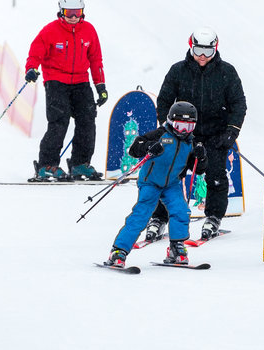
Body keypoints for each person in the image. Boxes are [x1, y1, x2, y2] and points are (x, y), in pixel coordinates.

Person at [143, 26, 247, 242]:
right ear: (191, 47)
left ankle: (214, 217)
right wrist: (167, 126)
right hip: (182, 134)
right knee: (168, 174)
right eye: (198, 50)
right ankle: (159, 218)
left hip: (215, 134)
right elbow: (164, 100)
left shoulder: (227, 72)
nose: (202, 56)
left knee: (216, 176)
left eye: (207, 52)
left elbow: (238, 104)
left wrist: (231, 132)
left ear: (215, 50)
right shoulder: (178, 70)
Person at [104, 102, 207, 267]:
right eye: (180, 126)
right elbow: (134, 149)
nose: (184, 131)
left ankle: (177, 248)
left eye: (189, 126)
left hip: (172, 184)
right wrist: (148, 146)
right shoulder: (160, 134)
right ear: (171, 122)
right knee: (141, 214)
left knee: (181, 211)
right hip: (150, 182)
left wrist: (201, 157)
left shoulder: (192, 143)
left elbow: (199, 170)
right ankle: (119, 251)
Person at [24, 0, 108, 182]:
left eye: (77, 12)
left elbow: (96, 60)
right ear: (61, 11)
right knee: (59, 121)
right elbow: (35, 52)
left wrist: (100, 86)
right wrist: (31, 68)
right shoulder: (50, 30)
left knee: (87, 120)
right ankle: (47, 165)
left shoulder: (89, 31)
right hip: (56, 81)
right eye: (69, 12)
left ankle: (80, 164)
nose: (73, 17)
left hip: (81, 80)